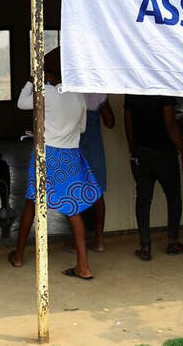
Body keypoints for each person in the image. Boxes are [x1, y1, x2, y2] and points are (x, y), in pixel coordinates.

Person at [8, 48, 102, 280]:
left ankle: (18, 256)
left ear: (47, 73)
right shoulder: (78, 96)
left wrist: (32, 80)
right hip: (71, 155)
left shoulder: (45, 94)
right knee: (73, 209)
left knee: (31, 203)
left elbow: (21, 103)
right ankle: (83, 265)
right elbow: (81, 129)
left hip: (46, 154)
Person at [124, 94, 183, 261]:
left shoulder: (133, 87)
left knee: (143, 199)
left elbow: (128, 120)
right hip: (164, 153)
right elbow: (170, 122)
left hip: (141, 152)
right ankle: (172, 242)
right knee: (174, 197)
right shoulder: (163, 87)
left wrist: (133, 147)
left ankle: (145, 247)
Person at [79, 93, 115, 252]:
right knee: (98, 192)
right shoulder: (97, 92)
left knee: (76, 193)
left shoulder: (69, 89)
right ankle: (99, 239)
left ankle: (78, 242)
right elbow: (110, 122)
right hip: (94, 145)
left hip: (74, 143)